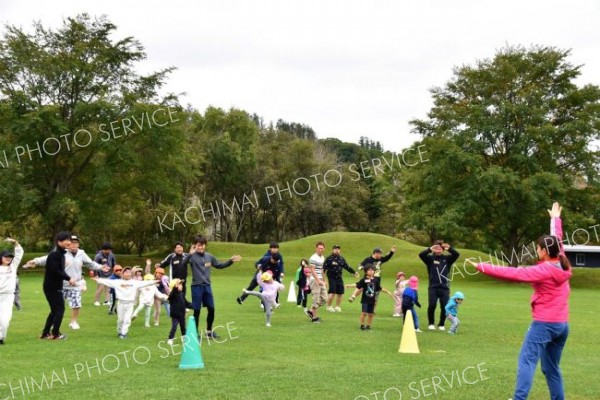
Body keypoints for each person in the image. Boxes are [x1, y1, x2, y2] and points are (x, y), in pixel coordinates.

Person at [466, 202, 571, 400]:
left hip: (544, 324)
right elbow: (557, 239)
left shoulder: (543, 270)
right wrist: (555, 219)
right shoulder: (561, 260)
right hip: (561, 325)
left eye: (538, 248)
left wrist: (481, 266)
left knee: (527, 361)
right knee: (551, 368)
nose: (537, 250)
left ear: (543, 251)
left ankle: (518, 398)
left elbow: (512, 273)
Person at [26, 234, 109, 329]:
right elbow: (47, 258)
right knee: (57, 307)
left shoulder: (81, 254)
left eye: (76, 243)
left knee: (76, 304)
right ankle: (53, 324)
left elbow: (90, 264)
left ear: (78, 244)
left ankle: (73, 322)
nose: (73, 245)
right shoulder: (61, 253)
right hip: (61, 284)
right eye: (71, 243)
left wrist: (100, 267)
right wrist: (35, 261)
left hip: (75, 285)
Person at [182, 235, 241, 339]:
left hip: (207, 287)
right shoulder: (191, 256)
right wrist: (189, 255)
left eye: (202, 245)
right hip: (196, 287)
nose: (200, 247)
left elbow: (219, 265)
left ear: (205, 245)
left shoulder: (209, 256)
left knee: (212, 309)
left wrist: (231, 260)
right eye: (198, 245)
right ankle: (195, 333)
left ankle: (209, 332)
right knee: (197, 310)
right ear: (194, 246)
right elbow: (182, 264)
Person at [94, 266, 158, 339]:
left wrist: (154, 281)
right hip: (121, 303)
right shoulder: (118, 282)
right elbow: (107, 281)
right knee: (120, 320)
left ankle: (124, 333)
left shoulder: (134, 282)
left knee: (127, 319)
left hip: (130, 304)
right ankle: (119, 331)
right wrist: (98, 279)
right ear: (122, 274)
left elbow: (144, 283)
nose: (128, 274)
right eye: (126, 272)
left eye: (129, 272)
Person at [40, 232, 77, 340]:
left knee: (54, 310)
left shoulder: (61, 253)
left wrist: (67, 278)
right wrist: (69, 278)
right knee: (59, 310)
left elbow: (60, 270)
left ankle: (45, 333)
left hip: (54, 286)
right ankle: (55, 334)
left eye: (69, 240)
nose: (69, 242)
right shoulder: (55, 254)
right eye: (66, 240)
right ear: (59, 241)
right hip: (52, 287)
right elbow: (55, 270)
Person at [419, 240, 460, 331]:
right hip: (433, 287)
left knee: (445, 306)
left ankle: (441, 324)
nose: (438, 249)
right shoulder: (430, 259)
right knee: (432, 305)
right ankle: (431, 323)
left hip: (444, 287)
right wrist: (429, 249)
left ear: (443, 250)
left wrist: (449, 249)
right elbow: (421, 255)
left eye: (440, 248)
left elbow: (457, 254)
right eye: (436, 248)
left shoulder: (447, 259)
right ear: (434, 249)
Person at [348, 264, 392, 331]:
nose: (371, 271)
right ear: (366, 272)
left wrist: (387, 291)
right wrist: (353, 295)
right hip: (365, 300)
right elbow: (358, 287)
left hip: (372, 300)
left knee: (371, 314)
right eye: (369, 270)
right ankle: (362, 326)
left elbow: (379, 288)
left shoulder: (375, 280)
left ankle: (368, 326)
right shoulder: (364, 280)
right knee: (364, 313)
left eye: (372, 270)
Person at [0, 238, 24, 344]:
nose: (8, 258)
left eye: (10, 257)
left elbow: (19, 252)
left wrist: (15, 242)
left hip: (8, 297)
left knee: (5, 321)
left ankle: (1, 337)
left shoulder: (13, 267)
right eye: (6, 257)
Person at [324, 244, 358, 313]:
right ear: (333, 250)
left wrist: (354, 272)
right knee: (332, 292)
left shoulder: (341, 259)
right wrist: (324, 279)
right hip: (331, 277)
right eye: (335, 249)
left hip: (339, 278)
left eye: (338, 249)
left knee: (340, 293)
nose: (337, 250)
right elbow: (324, 269)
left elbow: (347, 267)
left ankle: (337, 307)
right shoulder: (329, 258)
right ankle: (328, 306)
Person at [166, 278, 193, 345]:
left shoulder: (181, 294)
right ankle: (170, 339)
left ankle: (184, 337)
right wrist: (175, 286)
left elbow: (186, 303)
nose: (182, 286)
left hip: (182, 314)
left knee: (183, 327)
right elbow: (172, 294)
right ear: (175, 286)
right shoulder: (172, 295)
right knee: (174, 327)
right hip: (175, 315)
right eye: (180, 285)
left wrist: (193, 305)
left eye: (181, 285)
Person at [305, 241, 326, 323]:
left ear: (324, 249)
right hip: (314, 280)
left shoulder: (322, 257)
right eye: (319, 248)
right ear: (316, 248)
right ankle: (314, 318)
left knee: (324, 298)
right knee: (316, 299)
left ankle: (311, 311)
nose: (320, 250)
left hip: (320, 280)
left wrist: (324, 280)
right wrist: (318, 280)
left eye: (322, 248)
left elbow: (322, 270)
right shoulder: (313, 258)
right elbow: (312, 270)